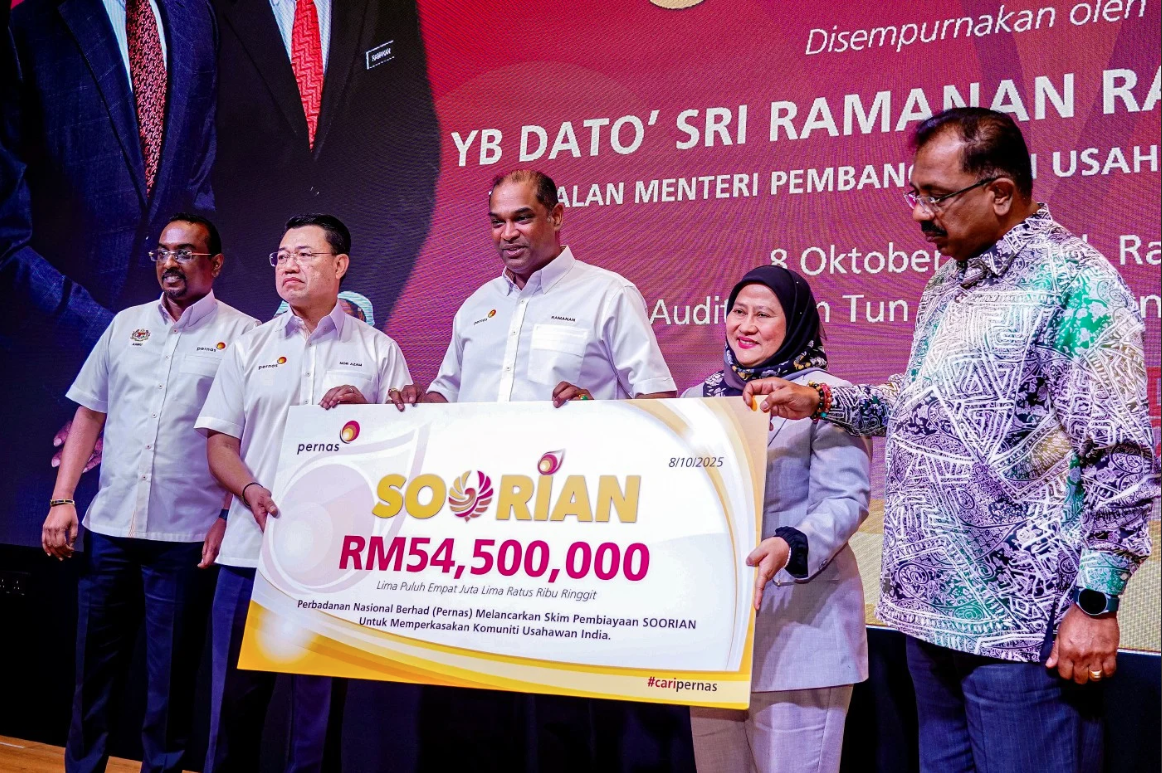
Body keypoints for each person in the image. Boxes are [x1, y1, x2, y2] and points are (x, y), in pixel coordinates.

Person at [745, 107, 1159, 772]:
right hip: (927, 622)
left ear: (1000, 193)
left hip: (1022, 637)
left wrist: (1097, 601)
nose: (919, 213)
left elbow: (1121, 457)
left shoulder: (1076, 284)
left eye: (937, 196)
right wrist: (820, 399)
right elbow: (921, 407)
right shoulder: (948, 281)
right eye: (915, 194)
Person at [390, 169, 677, 771]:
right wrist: (418, 402)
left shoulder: (607, 294)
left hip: (567, 529)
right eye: (497, 221)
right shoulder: (476, 307)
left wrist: (599, 411)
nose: (508, 233)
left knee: (558, 707)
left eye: (522, 217)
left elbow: (658, 404)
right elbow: (448, 393)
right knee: (474, 699)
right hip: (478, 530)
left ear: (557, 216)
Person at [195, 213, 412, 772]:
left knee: (316, 722)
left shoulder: (379, 349)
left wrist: (372, 414)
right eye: (282, 255)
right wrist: (249, 488)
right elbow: (220, 444)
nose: (289, 265)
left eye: (305, 255)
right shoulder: (249, 346)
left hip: (333, 564)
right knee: (231, 713)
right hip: (250, 553)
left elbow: (403, 454)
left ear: (340, 265)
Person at [41, 214, 258, 773]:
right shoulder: (125, 325)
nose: (170, 264)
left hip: (186, 536)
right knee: (93, 675)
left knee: (170, 682)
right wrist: (62, 499)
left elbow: (250, 435)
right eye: (162, 252)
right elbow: (90, 413)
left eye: (185, 253)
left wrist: (226, 514)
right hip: (110, 529)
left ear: (215, 264)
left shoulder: (245, 335)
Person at [1, 0, 219, 547]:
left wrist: (160, 368)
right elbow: (6, 241)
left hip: (166, 422)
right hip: (44, 397)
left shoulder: (195, 17)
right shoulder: (26, 25)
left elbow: (200, 206)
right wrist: (123, 353)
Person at [684, 265, 871, 773]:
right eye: (738, 311)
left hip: (800, 629)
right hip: (713, 637)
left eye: (764, 315)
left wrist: (790, 543)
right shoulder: (697, 399)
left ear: (795, 324)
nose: (746, 325)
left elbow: (845, 499)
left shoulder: (824, 396)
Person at [210, 0, 440, 323]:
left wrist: (357, 299)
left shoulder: (384, 6)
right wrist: (253, 305)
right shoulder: (206, 9)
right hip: (241, 312)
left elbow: (411, 158)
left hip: (351, 314)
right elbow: (193, 173)